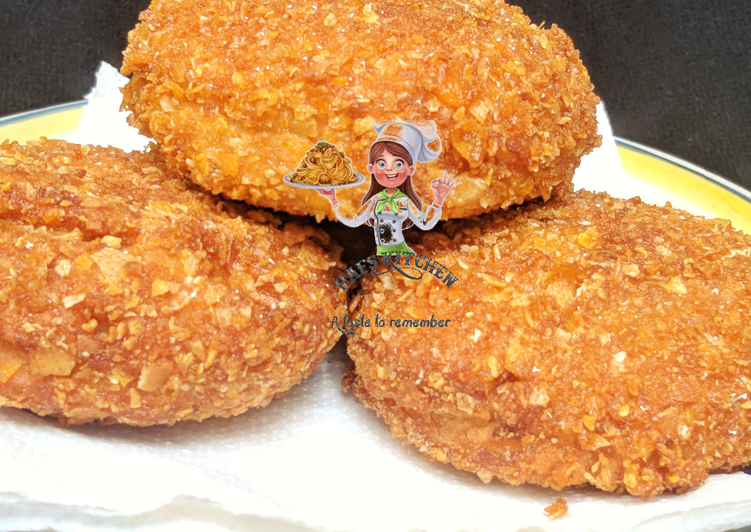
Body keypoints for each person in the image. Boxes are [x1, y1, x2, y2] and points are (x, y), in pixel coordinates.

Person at [318, 121, 455, 255]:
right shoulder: (375, 200)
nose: (389, 170)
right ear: (371, 168)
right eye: (382, 164)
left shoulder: (404, 202)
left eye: (399, 164)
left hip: (401, 251)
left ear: (410, 169)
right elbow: (354, 220)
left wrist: (438, 199)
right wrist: (333, 200)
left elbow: (424, 222)